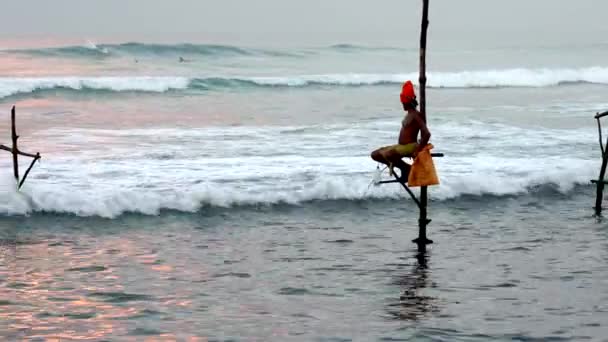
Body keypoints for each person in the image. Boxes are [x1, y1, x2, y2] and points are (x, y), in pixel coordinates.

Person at [371, 80, 431, 181]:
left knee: (389, 154)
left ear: (407, 102)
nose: (402, 104)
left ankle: (406, 169)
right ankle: (403, 167)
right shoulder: (409, 114)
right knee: (375, 154)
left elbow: (427, 133)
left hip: (411, 146)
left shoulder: (416, 115)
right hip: (402, 146)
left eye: (403, 103)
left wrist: (418, 149)